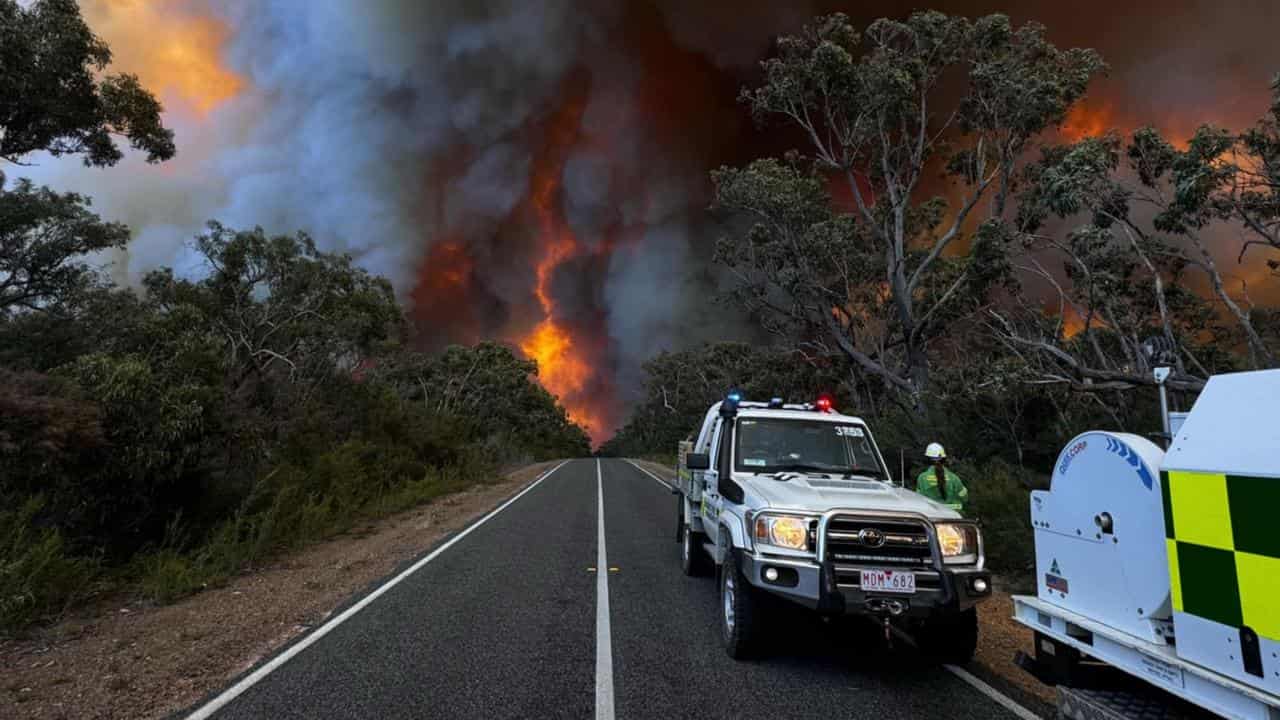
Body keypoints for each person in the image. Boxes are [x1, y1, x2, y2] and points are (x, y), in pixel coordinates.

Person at [915, 442, 968, 514]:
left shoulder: (922, 478)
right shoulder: (954, 478)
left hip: (931, 517)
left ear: (927, 459)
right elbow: (964, 498)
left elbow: (918, 500)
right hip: (953, 517)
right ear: (944, 459)